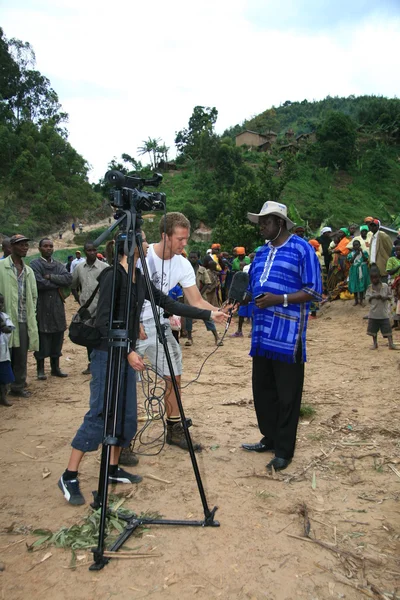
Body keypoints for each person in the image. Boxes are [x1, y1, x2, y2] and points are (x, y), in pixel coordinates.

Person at [58, 232, 228, 505]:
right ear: (132, 248)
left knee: (125, 412)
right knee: (101, 412)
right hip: (108, 355)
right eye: (144, 241)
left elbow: (169, 303)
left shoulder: (138, 278)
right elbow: (104, 322)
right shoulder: (114, 276)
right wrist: (128, 352)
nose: (148, 246)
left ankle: (112, 469)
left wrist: (210, 313)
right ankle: (69, 474)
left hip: (125, 353)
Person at [135, 212, 230, 451]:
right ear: (164, 236)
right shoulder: (141, 257)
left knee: (173, 375)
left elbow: (196, 301)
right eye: (180, 238)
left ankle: (175, 428)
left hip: (159, 324)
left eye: (186, 238)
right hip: (132, 326)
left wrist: (216, 311)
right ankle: (122, 438)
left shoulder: (182, 263)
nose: (184, 243)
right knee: (125, 382)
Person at [241, 201, 322, 471]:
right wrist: (242, 297)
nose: (261, 226)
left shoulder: (302, 249)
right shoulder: (260, 253)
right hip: (262, 336)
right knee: (263, 392)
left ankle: (284, 451)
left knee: (288, 396)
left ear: (279, 222)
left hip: (287, 338)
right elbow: (253, 286)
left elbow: (314, 291)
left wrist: (280, 299)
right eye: (260, 222)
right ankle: (270, 438)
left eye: (266, 221)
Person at [0, 234, 39, 398]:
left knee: (21, 355)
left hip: (23, 319)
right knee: (4, 355)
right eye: (21, 245)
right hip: (4, 320)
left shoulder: (28, 270)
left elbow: (34, 295)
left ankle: (18, 385)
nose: (25, 248)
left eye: (26, 245)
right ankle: (3, 389)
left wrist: (31, 312)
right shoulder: (2, 267)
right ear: (12, 247)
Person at [30, 238, 73, 380]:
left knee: (57, 337)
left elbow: (68, 279)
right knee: (43, 338)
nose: (49, 248)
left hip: (57, 307)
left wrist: (49, 277)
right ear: (40, 248)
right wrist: (57, 283)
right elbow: (39, 283)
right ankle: (40, 369)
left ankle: (55, 368)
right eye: (46, 246)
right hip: (42, 307)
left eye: (51, 246)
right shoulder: (35, 264)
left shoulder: (58, 265)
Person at [71, 241, 109, 375]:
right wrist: (79, 300)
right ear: (84, 251)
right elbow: (73, 285)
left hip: (101, 309)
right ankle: (91, 363)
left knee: (102, 336)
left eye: (94, 250)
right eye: (89, 250)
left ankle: (102, 363)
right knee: (88, 336)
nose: (92, 252)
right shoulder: (79, 268)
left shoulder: (104, 267)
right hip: (87, 310)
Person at [184, 250, 222, 347]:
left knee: (207, 316)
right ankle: (189, 338)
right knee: (188, 317)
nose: (192, 259)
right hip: (188, 297)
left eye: (194, 257)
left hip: (201, 298)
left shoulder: (202, 270)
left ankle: (217, 337)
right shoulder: (185, 269)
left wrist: (198, 294)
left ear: (198, 258)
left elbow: (207, 283)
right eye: (191, 257)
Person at [366, 265, 397, 350]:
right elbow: (367, 298)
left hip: (383, 314)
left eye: (376, 278)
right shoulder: (369, 288)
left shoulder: (385, 286)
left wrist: (384, 298)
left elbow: (390, 296)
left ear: (379, 277)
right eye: (372, 278)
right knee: (373, 331)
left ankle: (391, 344)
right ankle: (375, 344)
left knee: (388, 329)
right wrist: (374, 297)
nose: (374, 280)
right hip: (373, 314)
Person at [0, 294, 15, 407]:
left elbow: (10, 329)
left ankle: (3, 396)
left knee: (5, 377)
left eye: (1, 303)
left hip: (3, 354)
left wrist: (4, 327)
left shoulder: (4, 316)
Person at [347, 240, 370, 306]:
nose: (356, 246)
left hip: (362, 269)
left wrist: (361, 252)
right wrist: (355, 255)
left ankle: (361, 301)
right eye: (354, 245)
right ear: (353, 247)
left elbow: (365, 259)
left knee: (361, 284)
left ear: (359, 245)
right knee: (355, 284)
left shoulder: (364, 252)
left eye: (357, 245)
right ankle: (356, 300)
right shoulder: (351, 254)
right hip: (354, 270)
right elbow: (351, 261)